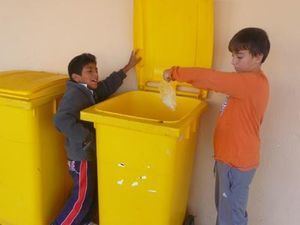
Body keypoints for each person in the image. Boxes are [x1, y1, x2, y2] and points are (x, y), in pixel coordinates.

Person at [163, 27, 270, 225]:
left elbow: (210, 78)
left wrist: (175, 72)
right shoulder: (253, 82)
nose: (233, 62)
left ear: (258, 57)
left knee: (230, 217)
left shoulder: (249, 83)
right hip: (231, 160)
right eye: (232, 56)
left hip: (235, 162)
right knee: (226, 211)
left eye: (239, 56)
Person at [52, 50, 141, 225]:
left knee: (90, 196)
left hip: (88, 154)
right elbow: (61, 120)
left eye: (96, 69)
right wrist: (86, 138)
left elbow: (106, 86)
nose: (95, 74)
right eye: (90, 71)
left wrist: (128, 67)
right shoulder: (75, 94)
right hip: (81, 157)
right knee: (81, 200)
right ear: (77, 77)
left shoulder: (88, 91)